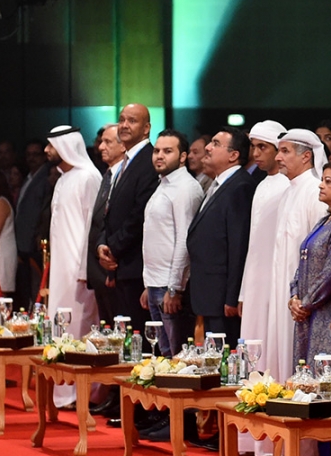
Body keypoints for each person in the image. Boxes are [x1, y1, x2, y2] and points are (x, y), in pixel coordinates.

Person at [233, 120, 288, 456]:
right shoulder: (263, 184)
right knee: (251, 353)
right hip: (254, 283)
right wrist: (243, 291)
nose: (255, 154)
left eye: (262, 147)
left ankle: (270, 440)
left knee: (268, 354)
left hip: (275, 285)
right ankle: (251, 436)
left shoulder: (287, 185)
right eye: (253, 147)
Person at [45, 126, 102, 407]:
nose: (46, 150)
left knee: (81, 326)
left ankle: (85, 394)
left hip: (80, 270)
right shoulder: (63, 179)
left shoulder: (89, 177)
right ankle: (64, 392)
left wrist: (84, 269)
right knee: (61, 325)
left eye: (51, 145)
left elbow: (93, 227)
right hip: (61, 269)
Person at [266, 129, 327, 386]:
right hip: (285, 292)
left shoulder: (314, 190)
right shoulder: (289, 191)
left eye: (285, 151)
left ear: (306, 157)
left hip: (303, 299)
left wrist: (306, 296)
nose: (278, 157)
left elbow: (322, 250)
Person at [186, 128, 258, 343]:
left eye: (216, 144)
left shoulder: (240, 186)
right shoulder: (218, 184)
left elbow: (238, 245)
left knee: (223, 361)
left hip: (222, 297)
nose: (208, 147)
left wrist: (232, 296)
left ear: (233, 155)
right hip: (209, 293)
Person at [139, 130, 203, 357]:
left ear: (183, 156)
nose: (159, 156)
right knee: (163, 355)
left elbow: (185, 240)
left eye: (167, 151)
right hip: (156, 282)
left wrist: (175, 288)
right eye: (157, 151)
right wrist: (149, 284)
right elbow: (155, 237)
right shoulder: (163, 184)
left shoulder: (185, 187)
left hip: (172, 286)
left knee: (176, 358)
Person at [96, 103, 160, 326]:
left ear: (146, 128)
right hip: (120, 264)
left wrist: (113, 248)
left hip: (136, 266)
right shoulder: (124, 162)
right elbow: (110, 210)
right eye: (122, 119)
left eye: (132, 121)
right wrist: (102, 245)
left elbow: (139, 215)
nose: (124, 125)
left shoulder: (150, 160)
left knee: (137, 339)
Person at [290, 160, 331, 368]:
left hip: (325, 311)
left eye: (328, 182)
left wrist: (307, 302)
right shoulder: (323, 221)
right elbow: (303, 261)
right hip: (305, 311)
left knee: (322, 373)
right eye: (322, 181)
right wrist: (294, 296)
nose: (321, 186)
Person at [85, 126, 126, 324]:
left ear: (123, 146)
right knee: (106, 325)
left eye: (108, 142)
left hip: (114, 265)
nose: (101, 147)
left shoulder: (123, 177)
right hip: (99, 265)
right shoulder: (107, 175)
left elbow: (116, 220)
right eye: (101, 141)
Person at [14, 138, 52, 309]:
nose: (31, 158)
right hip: (23, 241)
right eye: (28, 155)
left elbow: (43, 211)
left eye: (36, 154)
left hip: (35, 242)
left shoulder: (47, 177)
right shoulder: (28, 176)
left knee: (37, 286)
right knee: (27, 286)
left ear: (44, 156)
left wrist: (39, 235)